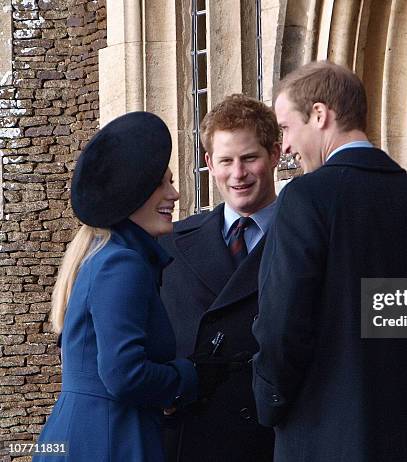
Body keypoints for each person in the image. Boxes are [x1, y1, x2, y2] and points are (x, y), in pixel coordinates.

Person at [252, 61, 407, 461]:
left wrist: (271, 404)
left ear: (320, 115)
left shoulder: (306, 198)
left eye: (286, 128)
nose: (285, 146)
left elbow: (282, 326)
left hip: (320, 437)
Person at [33, 112, 203, 461]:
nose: (174, 193)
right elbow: (124, 374)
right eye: (162, 184)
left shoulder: (109, 257)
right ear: (133, 193)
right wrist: (186, 376)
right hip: (109, 441)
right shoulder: (122, 263)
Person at [160, 94, 277, 461]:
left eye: (249, 158)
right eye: (226, 160)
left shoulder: (308, 240)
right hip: (189, 440)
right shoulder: (171, 243)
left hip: (273, 441)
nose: (237, 174)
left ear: (274, 154)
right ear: (209, 163)